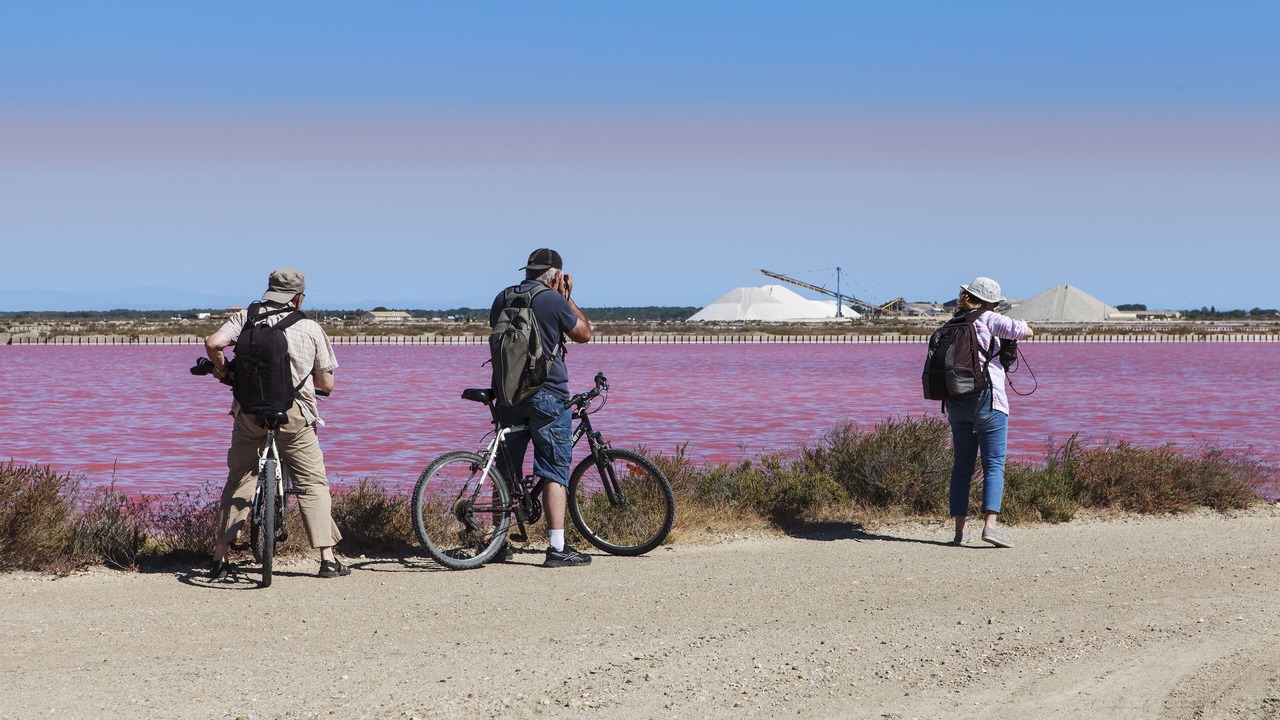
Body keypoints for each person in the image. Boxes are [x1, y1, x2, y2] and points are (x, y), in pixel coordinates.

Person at [204, 268, 348, 579]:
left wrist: (226, 372)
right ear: (299, 297)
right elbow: (328, 382)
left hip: (250, 413)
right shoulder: (310, 327)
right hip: (294, 413)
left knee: (240, 476)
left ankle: (220, 555)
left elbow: (213, 343)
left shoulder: (246, 317)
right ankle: (327, 558)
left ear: (269, 291)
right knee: (312, 484)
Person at [490, 248, 593, 567]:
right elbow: (584, 334)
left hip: (508, 395)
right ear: (557, 275)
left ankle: (497, 543)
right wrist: (568, 296)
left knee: (505, 472)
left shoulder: (502, 298)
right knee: (553, 470)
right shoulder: (552, 300)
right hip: (547, 395)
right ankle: (557, 548)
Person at [947, 276, 1033, 549]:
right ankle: (991, 527)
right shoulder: (988, 318)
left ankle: (960, 532)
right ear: (990, 301)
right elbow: (1024, 330)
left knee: (962, 467)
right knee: (994, 464)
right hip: (988, 397)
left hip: (956, 400)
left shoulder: (955, 321)